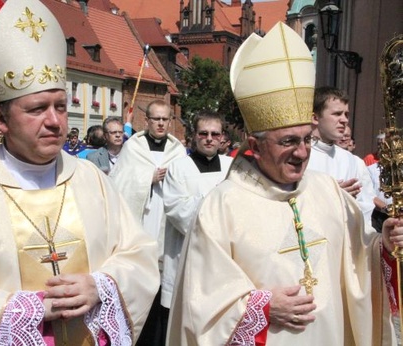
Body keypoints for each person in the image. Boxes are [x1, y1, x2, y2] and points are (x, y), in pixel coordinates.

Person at [0, 0, 158, 344]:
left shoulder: (91, 180)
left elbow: (138, 255)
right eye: (37, 108)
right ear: (3, 120)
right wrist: (23, 311)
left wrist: (103, 285)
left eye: (60, 107)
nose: (54, 121)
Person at [168, 22, 402, 345]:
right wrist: (262, 307)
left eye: (307, 139)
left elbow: (359, 264)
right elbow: (202, 307)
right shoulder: (221, 208)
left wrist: (385, 247)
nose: (302, 152)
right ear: (256, 143)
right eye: (289, 141)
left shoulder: (329, 192)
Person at [110, 99, 186, 345]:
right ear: (147, 121)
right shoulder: (133, 148)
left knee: (166, 286)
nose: (161, 123)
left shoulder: (178, 150)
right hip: (143, 219)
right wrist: (147, 178)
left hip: (169, 221)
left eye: (166, 119)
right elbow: (117, 184)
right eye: (156, 119)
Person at [161, 111, 232, 343]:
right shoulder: (178, 168)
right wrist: (216, 199)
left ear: (222, 138)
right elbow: (176, 210)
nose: (209, 138)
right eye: (204, 133)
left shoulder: (233, 167)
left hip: (227, 256)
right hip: (188, 253)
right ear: (194, 136)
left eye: (215, 134)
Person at [307, 87, 376, 225]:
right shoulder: (299, 157)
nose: (344, 120)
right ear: (315, 118)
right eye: (337, 114)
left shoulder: (354, 162)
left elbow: (365, 210)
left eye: (346, 114)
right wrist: (331, 197)